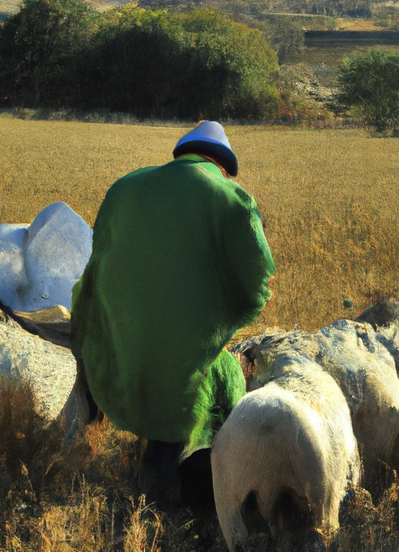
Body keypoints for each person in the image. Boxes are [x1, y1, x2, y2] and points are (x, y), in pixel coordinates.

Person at [71, 120, 276, 507]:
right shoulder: (232, 197)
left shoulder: (126, 186)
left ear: (182, 153)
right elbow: (257, 283)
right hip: (178, 363)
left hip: (122, 347)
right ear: (223, 166)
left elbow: (96, 268)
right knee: (219, 375)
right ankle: (173, 496)